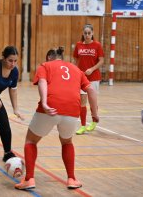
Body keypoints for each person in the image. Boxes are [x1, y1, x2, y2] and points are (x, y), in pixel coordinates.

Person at [15, 47, 99, 190]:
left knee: (31, 140)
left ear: (49, 57)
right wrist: (94, 113)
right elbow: (90, 89)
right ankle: (72, 179)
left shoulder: (45, 66)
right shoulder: (75, 69)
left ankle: (29, 179)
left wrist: (44, 102)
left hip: (51, 108)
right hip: (73, 110)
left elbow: (42, 82)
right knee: (67, 142)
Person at [73, 24, 104, 135]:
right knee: (82, 102)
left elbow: (101, 61)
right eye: (85, 33)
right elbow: (76, 61)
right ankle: (82, 125)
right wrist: (75, 73)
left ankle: (94, 120)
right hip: (81, 78)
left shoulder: (97, 45)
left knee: (92, 102)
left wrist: (92, 69)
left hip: (94, 78)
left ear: (92, 33)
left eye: (89, 33)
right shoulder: (78, 45)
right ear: (83, 33)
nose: (87, 35)